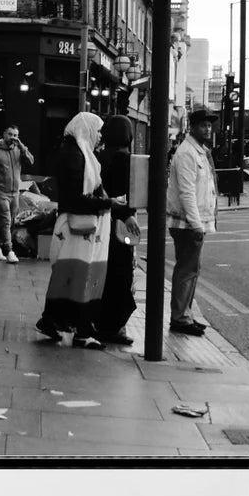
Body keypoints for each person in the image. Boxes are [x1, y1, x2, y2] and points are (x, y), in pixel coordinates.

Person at [36, 112, 114, 345]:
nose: (100, 136)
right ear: (87, 129)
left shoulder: (80, 153)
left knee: (71, 276)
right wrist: (108, 203)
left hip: (80, 229)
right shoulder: (75, 156)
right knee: (77, 275)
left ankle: (60, 322)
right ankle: (79, 327)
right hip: (77, 229)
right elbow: (74, 199)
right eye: (97, 130)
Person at [167, 108, 220, 336]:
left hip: (193, 222)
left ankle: (185, 315)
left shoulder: (200, 152)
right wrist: (197, 225)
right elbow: (187, 192)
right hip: (187, 224)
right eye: (203, 125)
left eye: (209, 125)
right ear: (192, 127)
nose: (207, 129)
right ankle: (180, 318)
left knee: (191, 269)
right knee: (186, 270)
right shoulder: (187, 153)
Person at [95, 115, 142, 345]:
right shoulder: (124, 159)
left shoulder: (100, 157)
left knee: (106, 274)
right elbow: (125, 194)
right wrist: (129, 215)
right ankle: (114, 327)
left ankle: (101, 322)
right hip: (120, 226)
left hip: (102, 223)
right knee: (121, 275)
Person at [0, 124, 34, 264]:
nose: (13, 138)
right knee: (5, 220)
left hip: (15, 192)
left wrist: (22, 146)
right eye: (10, 134)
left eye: (16, 135)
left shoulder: (19, 149)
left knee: (9, 222)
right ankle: (9, 251)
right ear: (4, 134)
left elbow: (31, 161)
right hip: (1, 191)